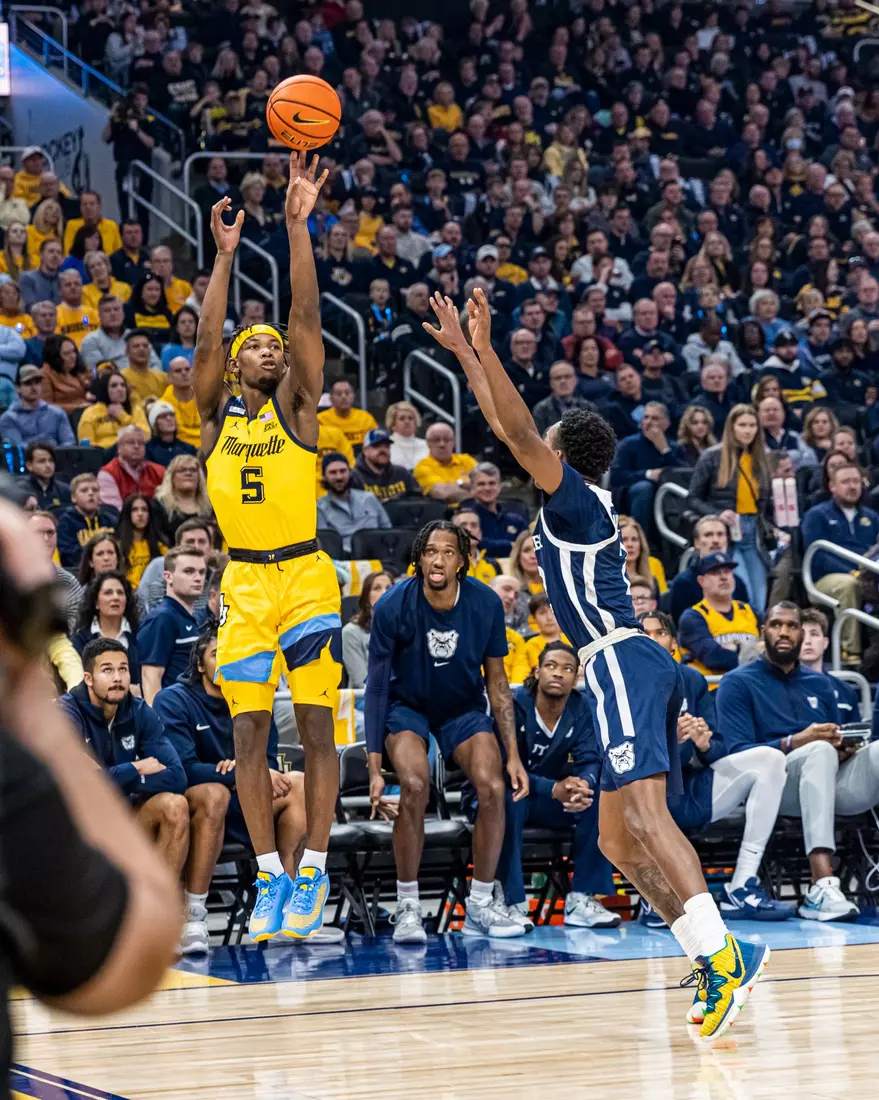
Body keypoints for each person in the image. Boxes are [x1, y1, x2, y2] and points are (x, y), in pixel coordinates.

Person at [426, 288, 767, 1041]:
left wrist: (484, 353)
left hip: (617, 661)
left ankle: (723, 957)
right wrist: (466, 357)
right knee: (615, 838)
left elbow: (515, 433)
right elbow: (505, 426)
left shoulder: (576, 500)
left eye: (542, 448)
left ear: (562, 455)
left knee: (645, 817)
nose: (528, 452)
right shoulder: (572, 505)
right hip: (620, 662)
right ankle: (718, 951)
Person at [194, 159, 342, 944]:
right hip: (244, 588)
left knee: (316, 727)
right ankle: (269, 875)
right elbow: (205, 349)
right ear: (237, 361)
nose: (274, 350)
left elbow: (308, 318)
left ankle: (313, 858)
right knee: (249, 738)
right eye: (259, 345)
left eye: (277, 347)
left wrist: (295, 228)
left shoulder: (297, 408)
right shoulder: (216, 416)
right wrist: (221, 257)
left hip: (306, 576)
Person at [0, 499, 180, 1078]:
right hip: (97, 848)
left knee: (178, 801)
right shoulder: (14, 769)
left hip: (118, 820)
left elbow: (173, 770)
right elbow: (134, 956)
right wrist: (30, 704)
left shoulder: (138, 711)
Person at [366, 520, 529, 942]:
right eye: (430, 551)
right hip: (408, 708)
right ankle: (407, 905)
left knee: (493, 787)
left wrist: (512, 752)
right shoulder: (391, 605)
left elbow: (496, 682)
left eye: (448, 552)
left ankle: (478, 905)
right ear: (419, 557)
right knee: (415, 785)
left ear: (462, 560)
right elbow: (378, 687)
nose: (438, 559)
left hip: (462, 708)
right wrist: (373, 767)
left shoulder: (486, 603)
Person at [717, 603, 879, 921]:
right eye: (776, 625)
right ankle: (821, 885)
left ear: (801, 633)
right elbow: (736, 754)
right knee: (817, 751)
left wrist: (845, 748)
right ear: (763, 631)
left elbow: (833, 740)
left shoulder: (821, 684)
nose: (784, 632)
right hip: (770, 790)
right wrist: (796, 742)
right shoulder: (737, 683)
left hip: (826, 782)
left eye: (792, 626)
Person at [154, 624, 307, 956]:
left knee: (298, 785)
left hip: (245, 802)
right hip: (197, 807)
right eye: (216, 654)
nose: (226, 660)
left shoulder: (255, 699)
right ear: (199, 665)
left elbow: (268, 766)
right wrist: (239, 773)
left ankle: (281, 901)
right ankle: (193, 916)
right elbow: (181, 770)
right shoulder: (173, 700)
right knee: (214, 794)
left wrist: (243, 772)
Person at [641, 612, 795, 927]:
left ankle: (741, 886)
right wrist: (669, 737)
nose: (653, 639)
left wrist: (703, 741)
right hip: (645, 795)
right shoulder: (622, 686)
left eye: (660, 633)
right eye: (645, 634)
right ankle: (653, 895)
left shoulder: (693, 680)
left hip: (689, 790)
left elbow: (721, 749)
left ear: (673, 643)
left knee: (770, 758)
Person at [497, 642, 619, 928]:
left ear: (576, 677)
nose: (558, 673)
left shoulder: (581, 707)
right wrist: (552, 788)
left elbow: (591, 759)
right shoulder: (513, 706)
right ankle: (511, 901)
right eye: (551, 666)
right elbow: (501, 769)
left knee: (598, 800)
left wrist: (583, 785)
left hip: (544, 798)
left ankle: (582, 899)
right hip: (502, 795)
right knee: (511, 797)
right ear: (537, 671)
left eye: (567, 668)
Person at [60, 638, 189, 876]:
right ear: (88, 678)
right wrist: (136, 767)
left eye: (123, 669)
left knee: (176, 805)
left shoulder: (139, 710)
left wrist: (121, 778)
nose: (117, 677)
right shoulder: (67, 712)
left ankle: (159, 904)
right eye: (107, 670)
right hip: (81, 820)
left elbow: (177, 778)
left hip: (127, 813)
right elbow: (80, 784)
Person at [687, 404, 772, 612]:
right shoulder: (712, 456)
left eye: (752, 425)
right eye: (742, 425)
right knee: (742, 593)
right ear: (731, 427)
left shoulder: (761, 459)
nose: (748, 430)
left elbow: (764, 505)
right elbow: (692, 498)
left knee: (759, 601)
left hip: (753, 532)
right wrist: (717, 514)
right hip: (726, 533)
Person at [802, 462, 879, 662]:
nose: (852, 486)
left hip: (868, 574)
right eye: (845, 482)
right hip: (824, 579)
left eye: (856, 481)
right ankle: (849, 652)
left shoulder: (872, 517)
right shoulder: (817, 515)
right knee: (850, 585)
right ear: (832, 486)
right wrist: (852, 571)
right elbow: (818, 556)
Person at [137, 545, 206, 704]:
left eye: (202, 572)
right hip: (173, 716)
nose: (198, 578)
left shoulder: (190, 619)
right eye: (189, 571)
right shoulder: (162, 618)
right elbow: (150, 677)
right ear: (168, 577)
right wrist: (159, 723)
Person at [678, 554, 760, 682]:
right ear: (701, 581)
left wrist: (733, 648)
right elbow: (713, 658)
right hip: (715, 688)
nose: (723, 577)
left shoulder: (751, 611)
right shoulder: (693, 617)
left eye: (727, 572)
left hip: (754, 685)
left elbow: (771, 651)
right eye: (715, 573)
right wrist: (750, 651)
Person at [610, 402, 682, 537]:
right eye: (646, 417)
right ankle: (639, 538)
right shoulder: (628, 444)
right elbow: (616, 476)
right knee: (644, 488)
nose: (648, 422)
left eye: (655, 418)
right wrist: (648, 474)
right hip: (630, 496)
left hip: (666, 497)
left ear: (666, 423)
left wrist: (664, 450)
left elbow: (682, 476)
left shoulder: (674, 447)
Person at [668, 515, 750, 623]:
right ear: (697, 542)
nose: (715, 540)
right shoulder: (683, 583)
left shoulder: (737, 582)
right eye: (708, 535)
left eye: (720, 534)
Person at [71, 571, 143, 693]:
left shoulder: (140, 636)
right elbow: (79, 683)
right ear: (96, 603)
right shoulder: (80, 640)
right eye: (108, 593)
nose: (115, 597)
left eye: (120, 593)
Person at [316, 452, 392, 553]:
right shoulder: (319, 508)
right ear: (324, 476)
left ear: (350, 472)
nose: (339, 477)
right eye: (333, 472)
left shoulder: (369, 498)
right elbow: (326, 546)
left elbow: (388, 531)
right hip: (343, 562)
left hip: (378, 557)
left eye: (343, 471)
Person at [799, 608, 862, 722]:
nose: (807, 641)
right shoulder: (783, 688)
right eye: (802, 635)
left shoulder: (846, 692)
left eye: (814, 634)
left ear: (825, 642)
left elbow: (853, 737)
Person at [29, 509, 83, 629]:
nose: (46, 538)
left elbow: (76, 631)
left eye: (50, 532)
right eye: (39, 533)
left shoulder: (68, 582)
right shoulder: (8, 579)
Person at [460, 462, 528, 557]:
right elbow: (473, 544)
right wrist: (512, 545)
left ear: (499, 487)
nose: (487, 488)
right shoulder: (465, 520)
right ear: (472, 488)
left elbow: (528, 546)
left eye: (492, 483)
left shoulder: (516, 520)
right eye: (481, 484)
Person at [341, 570, 394, 689]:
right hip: (365, 699)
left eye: (389, 587)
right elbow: (361, 682)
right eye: (377, 588)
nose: (385, 592)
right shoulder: (351, 632)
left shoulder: (405, 629)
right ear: (366, 597)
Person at [0, 363, 75, 447]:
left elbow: (69, 443)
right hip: (28, 459)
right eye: (28, 383)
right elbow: (18, 449)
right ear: (17, 388)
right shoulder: (8, 419)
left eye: (37, 382)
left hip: (56, 458)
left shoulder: (57, 413)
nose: (33, 387)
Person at [56, 474, 118, 568]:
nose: (91, 493)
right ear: (73, 497)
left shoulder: (111, 520)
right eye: (84, 490)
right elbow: (69, 557)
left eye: (95, 490)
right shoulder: (65, 523)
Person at [97, 425, 165, 510]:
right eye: (130, 442)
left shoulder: (159, 471)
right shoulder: (108, 473)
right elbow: (113, 511)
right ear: (119, 447)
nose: (136, 446)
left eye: (140, 443)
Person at [77, 370, 149, 447]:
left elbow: (146, 436)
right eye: (114, 386)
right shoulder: (90, 413)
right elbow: (86, 445)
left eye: (123, 385)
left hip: (131, 454)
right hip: (103, 455)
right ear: (105, 389)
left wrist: (122, 416)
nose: (120, 389)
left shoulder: (136, 410)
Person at [350, 427, 422, 503]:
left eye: (386, 446)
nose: (383, 450)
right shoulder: (354, 478)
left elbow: (417, 500)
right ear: (365, 451)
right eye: (377, 446)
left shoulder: (402, 474)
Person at [414, 423, 478, 503]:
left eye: (447, 439)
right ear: (428, 444)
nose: (442, 444)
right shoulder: (423, 467)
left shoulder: (466, 460)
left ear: (454, 442)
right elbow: (443, 493)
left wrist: (454, 485)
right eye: (436, 440)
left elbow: (485, 484)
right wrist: (464, 484)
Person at [153, 454, 211, 542]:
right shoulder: (158, 505)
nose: (188, 473)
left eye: (193, 470)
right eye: (182, 470)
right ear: (172, 477)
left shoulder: (211, 506)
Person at [116, 492, 168, 587]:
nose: (140, 514)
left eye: (144, 510)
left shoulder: (161, 547)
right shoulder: (117, 547)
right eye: (135, 510)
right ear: (128, 514)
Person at [317, 377, 378, 447]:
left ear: (353, 395)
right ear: (331, 398)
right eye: (339, 394)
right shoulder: (320, 420)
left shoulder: (366, 418)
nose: (343, 397)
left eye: (347, 393)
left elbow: (375, 443)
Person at [39, 334, 91, 414]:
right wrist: (77, 408)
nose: (73, 356)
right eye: (67, 353)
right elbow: (46, 406)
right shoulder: (45, 375)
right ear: (55, 357)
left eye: (73, 351)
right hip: (64, 418)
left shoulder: (79, 369)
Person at [16, 440, 70, 512]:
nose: (48, 465)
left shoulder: (64, 490)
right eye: (42, 461)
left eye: (51, 460)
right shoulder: (21, 488)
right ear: (29, 465)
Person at [161, 356, 201, 448]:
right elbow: (176, 434)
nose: (184, 373)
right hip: (181, 449)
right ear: (169, 377)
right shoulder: (163, 406)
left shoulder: (206, 396)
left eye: (187, 369)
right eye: (178, 371)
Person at [146, 400, 198, 466]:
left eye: (172, 415)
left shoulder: (188, 449)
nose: (169, 418)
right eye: (163, 416)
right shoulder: (148, 450)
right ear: (155, 424)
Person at [122, 330, 168, 401]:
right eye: (136, 346)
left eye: (145, 346)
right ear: (127, 351)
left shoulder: (162, 377)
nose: (141, 349)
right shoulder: (122, 378)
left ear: (150, 350)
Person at [386, 400, 429, 470]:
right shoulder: (386, 444)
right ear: (392, 424)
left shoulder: (427, 445)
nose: (407, 421)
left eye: (410, 418)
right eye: (402, 418)